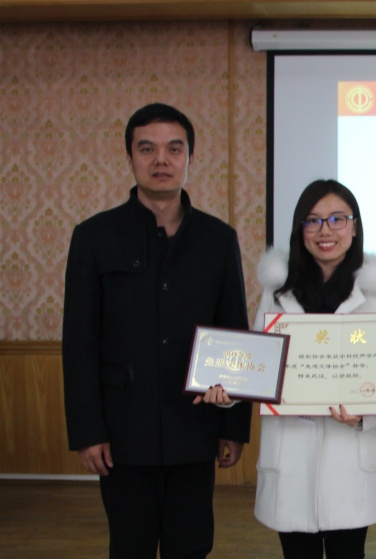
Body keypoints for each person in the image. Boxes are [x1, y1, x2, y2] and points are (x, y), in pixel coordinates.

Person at [62, 102, 252, 558]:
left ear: (191, 157)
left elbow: (235, 333)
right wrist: (87, 431)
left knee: (192, 546)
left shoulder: (217, 239)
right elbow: (79, 342)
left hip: (195, 428)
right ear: (130, 157)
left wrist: (234, 426)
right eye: (147, 149)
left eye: (174, 148)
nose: (161, 159)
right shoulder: (94, 237)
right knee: (130, 546)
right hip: (122, 433)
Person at [249, 179, 376, 559]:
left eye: (338, 219)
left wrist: (366, 416)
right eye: (313, 220)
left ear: (354, 226)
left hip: (350, 459)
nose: (325, 230)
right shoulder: (277, 292)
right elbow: (256, 366)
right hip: (290, 458)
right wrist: (228, 388)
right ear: (299, 228)